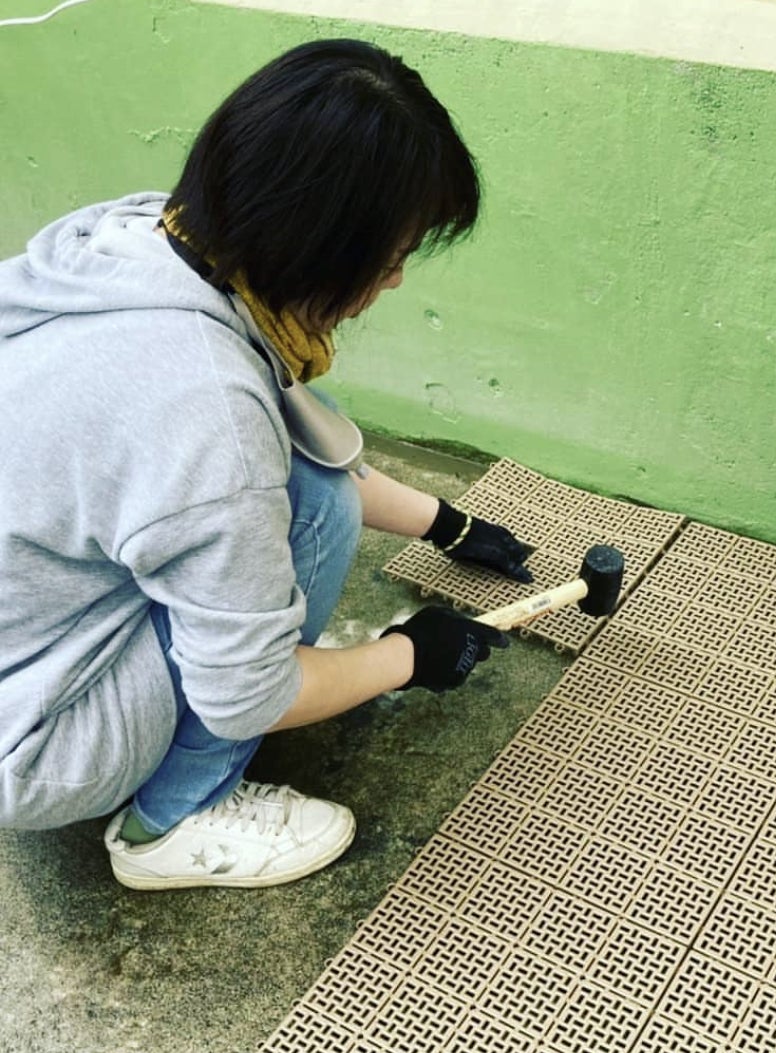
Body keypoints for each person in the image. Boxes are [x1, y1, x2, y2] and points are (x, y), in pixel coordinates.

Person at [0, 39, 535, 890]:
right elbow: (252, 691)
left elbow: (272, 449)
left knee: (299, 471)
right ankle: (171, 823)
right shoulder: (203, 400)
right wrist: (410, 654)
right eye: (391, 258)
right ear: (321, 246)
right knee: (321, 510)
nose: (395, 282)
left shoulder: (143, 243)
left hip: (23, 627)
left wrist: (448, 522)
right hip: (34, 741)